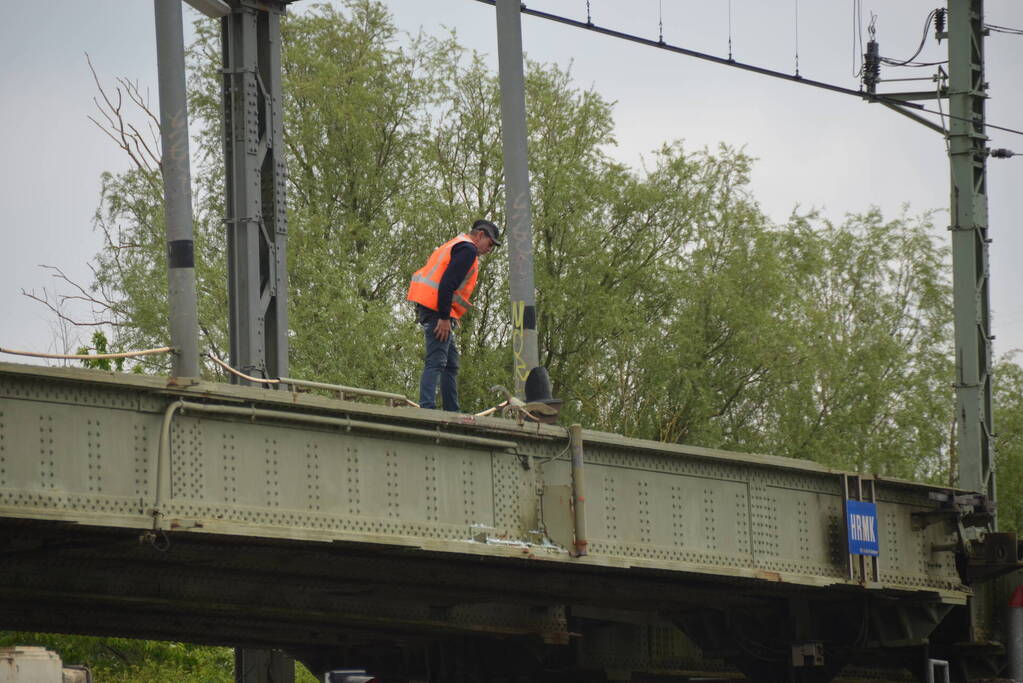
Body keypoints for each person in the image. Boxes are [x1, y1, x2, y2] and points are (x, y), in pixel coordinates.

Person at [407, 219, 501, 411]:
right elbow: (447, 283)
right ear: (480, 235)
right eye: (490, 244)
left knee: (450, 364)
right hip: (438, 311)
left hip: (433, 307)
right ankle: (428, 409)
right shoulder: (468, 250)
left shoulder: (456, 244)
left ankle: (452, 410)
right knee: (436, 361)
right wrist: (443, 318)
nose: (489, 249)